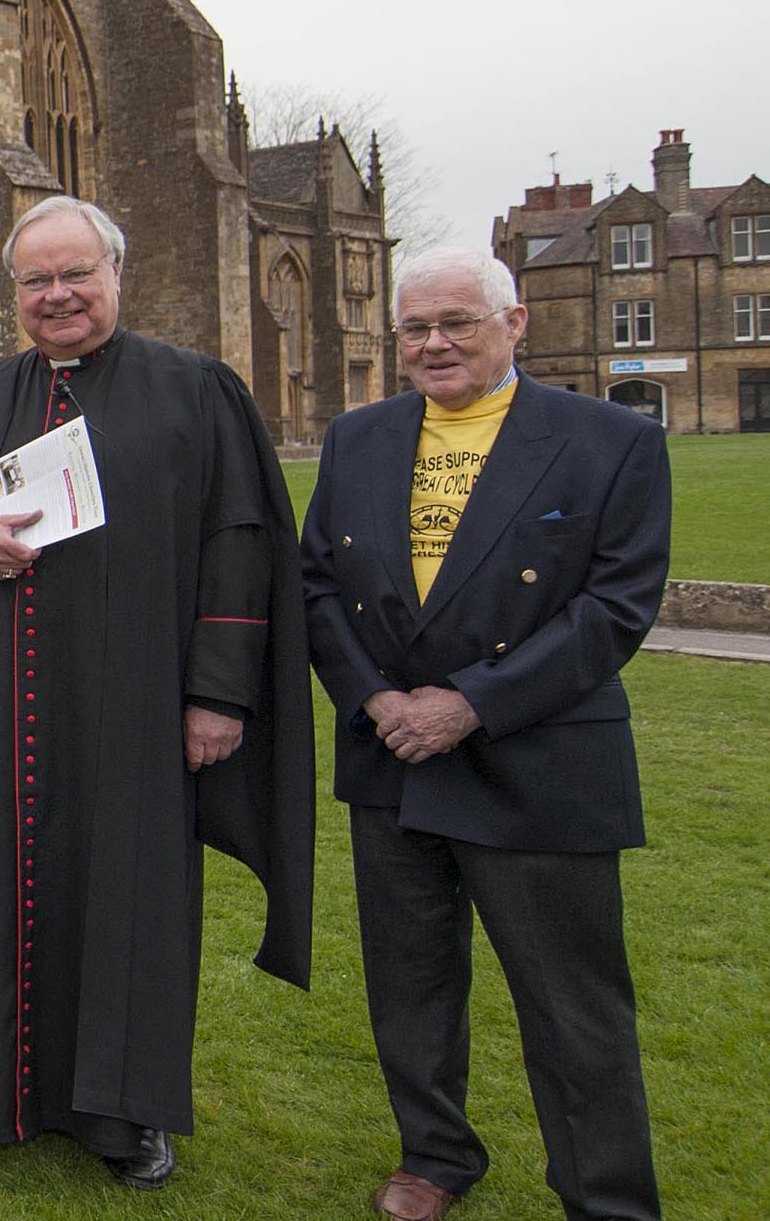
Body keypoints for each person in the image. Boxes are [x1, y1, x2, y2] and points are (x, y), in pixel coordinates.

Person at [0, 195, 313, 1191]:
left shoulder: (195, 390)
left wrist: (216, 695)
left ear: (114, 276)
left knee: (126, 903)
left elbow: (239, 541)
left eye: (74, 273)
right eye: (35, 279)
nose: (55, 294)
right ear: (13, 291)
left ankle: (122, 1112)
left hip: (134, 708)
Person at [304, 248, 667, 1221]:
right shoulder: (357, 437)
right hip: (392, 760)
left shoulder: (606, 440)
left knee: (572, 1008)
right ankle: (432, 1154)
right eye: (414, 326)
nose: (432, 342)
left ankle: (605, 1195)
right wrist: (376, 700)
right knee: (410, 984)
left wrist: (467, 702)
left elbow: (611, 609)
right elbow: (317, 587)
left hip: (538, 761)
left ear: (514, 323)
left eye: (455, 321)